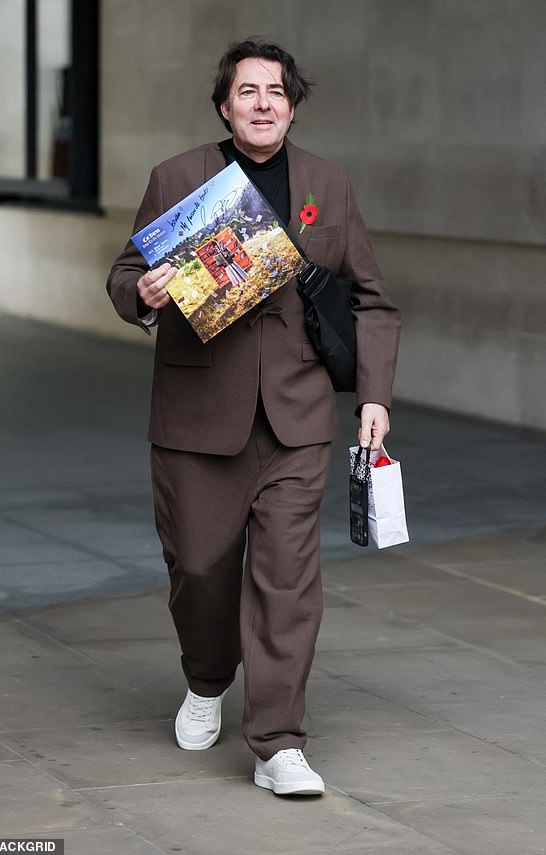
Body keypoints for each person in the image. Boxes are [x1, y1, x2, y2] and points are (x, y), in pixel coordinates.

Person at [107, 39, 400, 796]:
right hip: (197, 414)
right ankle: (207, 678)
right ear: (224, 105)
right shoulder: (178, 178)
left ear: (291, 104)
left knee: (287, 580)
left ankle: (278, 743)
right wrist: (143, 295)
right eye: (248, 91)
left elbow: (370, 298)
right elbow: (126, 272)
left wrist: (373, 397)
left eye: (276, 90)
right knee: (200, 569)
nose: (263, 102)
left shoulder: (327, 186)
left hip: (297, 418)